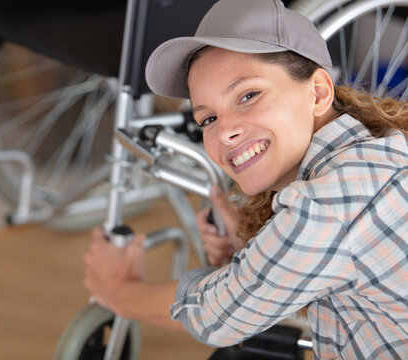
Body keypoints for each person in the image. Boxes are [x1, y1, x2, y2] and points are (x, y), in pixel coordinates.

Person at [83, 0, 408, 358]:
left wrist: (118, 289)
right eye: (208, 119)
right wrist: (258, 249)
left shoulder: (324, 207)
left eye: (248, 95)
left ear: (318, 92)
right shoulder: (382, 152)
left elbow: (218, 318)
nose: (225, 133)